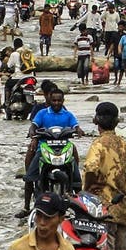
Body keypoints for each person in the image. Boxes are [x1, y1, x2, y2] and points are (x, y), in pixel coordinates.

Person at [83, 102, 126, 250]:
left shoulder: (98, 144)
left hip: (102, 208)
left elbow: (91, 168)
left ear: (97, 121)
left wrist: (86, 189)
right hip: (122, 208)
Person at [20, 86, 81, 217]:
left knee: (75, 163)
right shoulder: (42, 113)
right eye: (54, 100)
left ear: (63, 101)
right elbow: (34, 126)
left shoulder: (68, 115)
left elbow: (76, 126)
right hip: (44, 147)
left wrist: (79, 130)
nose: (57, 103)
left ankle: (79, 200)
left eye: (59, 101)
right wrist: (33, 135)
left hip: (64, 146)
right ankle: (26, 207)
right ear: (49, 100)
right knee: (30, 174)